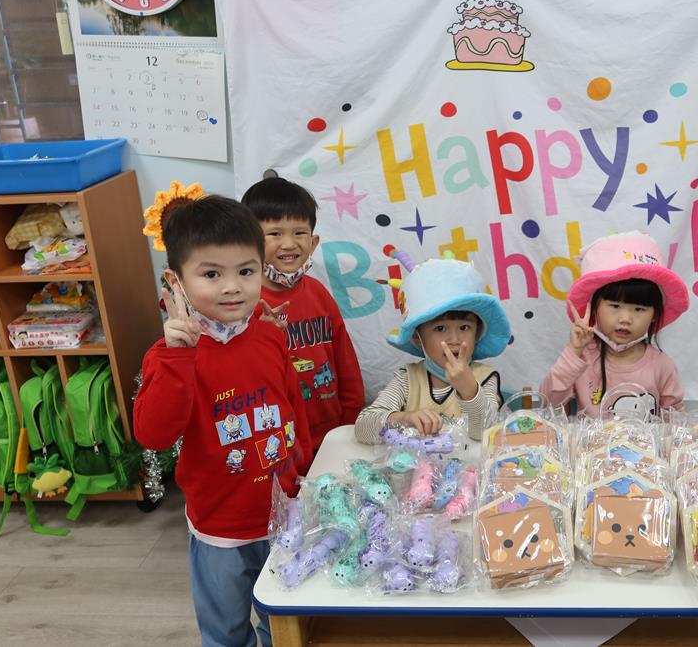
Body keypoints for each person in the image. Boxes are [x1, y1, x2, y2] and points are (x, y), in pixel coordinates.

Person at [135, 193, 312, 647]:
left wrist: (305, 478)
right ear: (175, 282)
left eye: (246, 272)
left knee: (286, 626)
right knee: (226, 633)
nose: (233, 287)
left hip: (284, 517)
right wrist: (178, 358)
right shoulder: (170, 357)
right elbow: (153, 435)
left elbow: (293, 412)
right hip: (220, 530)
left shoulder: (270, 338)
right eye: (212, 274)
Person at [242, 177, 364, 452]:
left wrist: (351, 416)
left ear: (313, 242)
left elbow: (344, 358)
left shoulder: (319, 293)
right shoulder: (244, 303)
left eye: (299, 233)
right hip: (278, 440)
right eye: (275, 234)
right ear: (250, 241)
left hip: (333, 433)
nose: (288, 244)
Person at [354, 250, 511, 444]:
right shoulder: (407, 379)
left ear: (477, 333)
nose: (454, 339)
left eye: (464, 327)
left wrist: (470, 390)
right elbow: (362, 429)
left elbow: (486, 435)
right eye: (440, 328)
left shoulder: (485, 377)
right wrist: (404, 418)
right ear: (418, 338)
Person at [540, 231, 689, 418]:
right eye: (615, 306)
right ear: (595, 307)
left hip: (644, 439)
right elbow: (548, 404)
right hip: (591, 439)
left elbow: (675, 422)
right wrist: (574, 350)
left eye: (639, 309)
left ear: (654, 315)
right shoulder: (583, 358)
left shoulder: (662, 366)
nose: (625, 319)